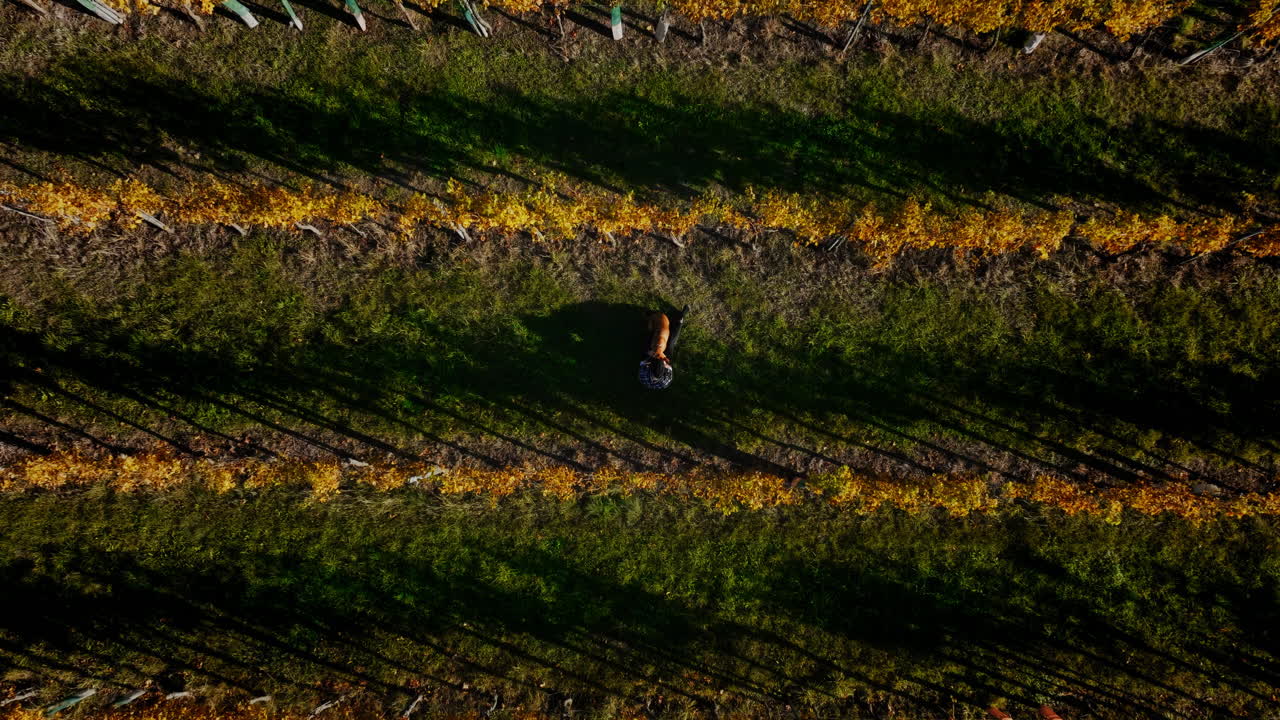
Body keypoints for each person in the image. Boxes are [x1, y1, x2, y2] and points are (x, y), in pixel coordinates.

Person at [638, 304, 689, 390]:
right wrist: (666, 362)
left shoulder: (643, 375)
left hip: (652, 361)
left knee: (647, 343)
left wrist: (649, 354)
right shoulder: (666, 381)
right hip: (662, 362)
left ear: (650, 365)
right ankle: (680, 319)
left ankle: (652, 318)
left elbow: (642, 363)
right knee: (671, 343)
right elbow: (670, 369)